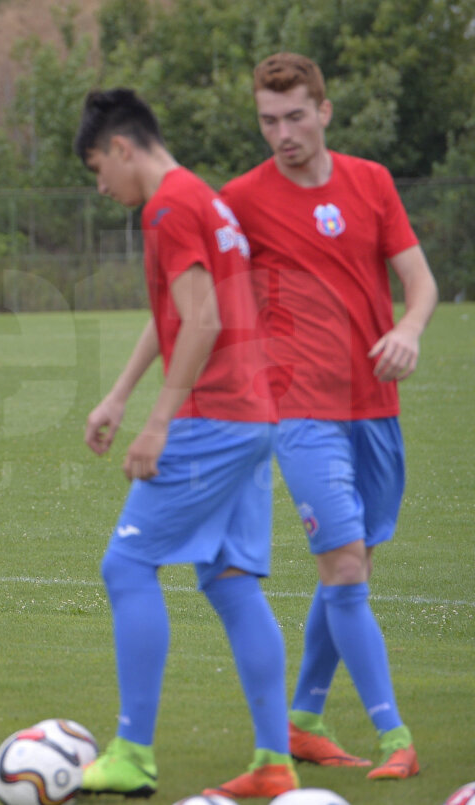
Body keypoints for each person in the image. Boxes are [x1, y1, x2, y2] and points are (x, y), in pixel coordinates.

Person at [75, 88, 297, 800]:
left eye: (97, 169)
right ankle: (275, 761)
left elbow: (200, 321)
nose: (101, 186)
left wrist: (159, 421)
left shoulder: (167, 207)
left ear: (121, 147)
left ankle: (133, 753)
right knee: (229, 580)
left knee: (127, 564)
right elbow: (175, 310)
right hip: (252, 415)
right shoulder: (204, 197)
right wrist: (119, 394)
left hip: (214, 416)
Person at [220, 52, 437, 780]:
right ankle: (395, 736)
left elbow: (420, 282)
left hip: (375, 407)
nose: (282, 134)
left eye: (294, 117)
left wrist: (408, 330)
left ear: (324, 111)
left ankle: (304, 718)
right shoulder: (242, 199)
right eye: (267, 120)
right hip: (298, 410)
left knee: (355, 565)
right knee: (343, 562)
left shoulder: (371, 182)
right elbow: (208, 288)